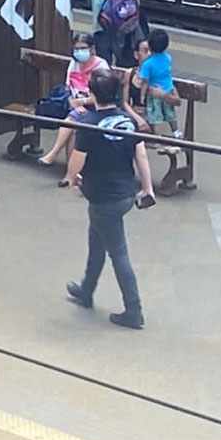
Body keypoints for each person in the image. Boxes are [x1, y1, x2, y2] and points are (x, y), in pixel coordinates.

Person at [64, 70, 156, 330]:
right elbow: (142, 156)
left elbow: (76, 161)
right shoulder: (128, 120)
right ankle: (86, 289)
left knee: (118, 253)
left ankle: (133, 309)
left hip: (103, 196)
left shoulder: (89, 122)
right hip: (126, 192)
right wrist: (147, 188)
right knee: (97, 240)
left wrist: (72, 179)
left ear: (92, 93)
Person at [36, 33, 110, 185]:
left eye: (83, 48)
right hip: (76, 107)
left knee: (73, 122)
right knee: (74, 124)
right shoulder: (73, 63)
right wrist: (72, 101)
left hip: (97, 108)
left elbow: (104, 95)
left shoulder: (101, 66)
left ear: (92, 49)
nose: (79, 52)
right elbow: (68, 88)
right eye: (76, 49)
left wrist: (82, 102)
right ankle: (72, 174)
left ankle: (57, 157)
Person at [134, 28, 182, 138]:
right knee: (170, 114)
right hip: (168, 89)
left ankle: (153, 134)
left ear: (150, 46)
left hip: (154, 92)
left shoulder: (148, 64)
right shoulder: (168, 58)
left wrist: (142, 96)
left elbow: (144, 82)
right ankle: (176, 131)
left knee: (153, 114)